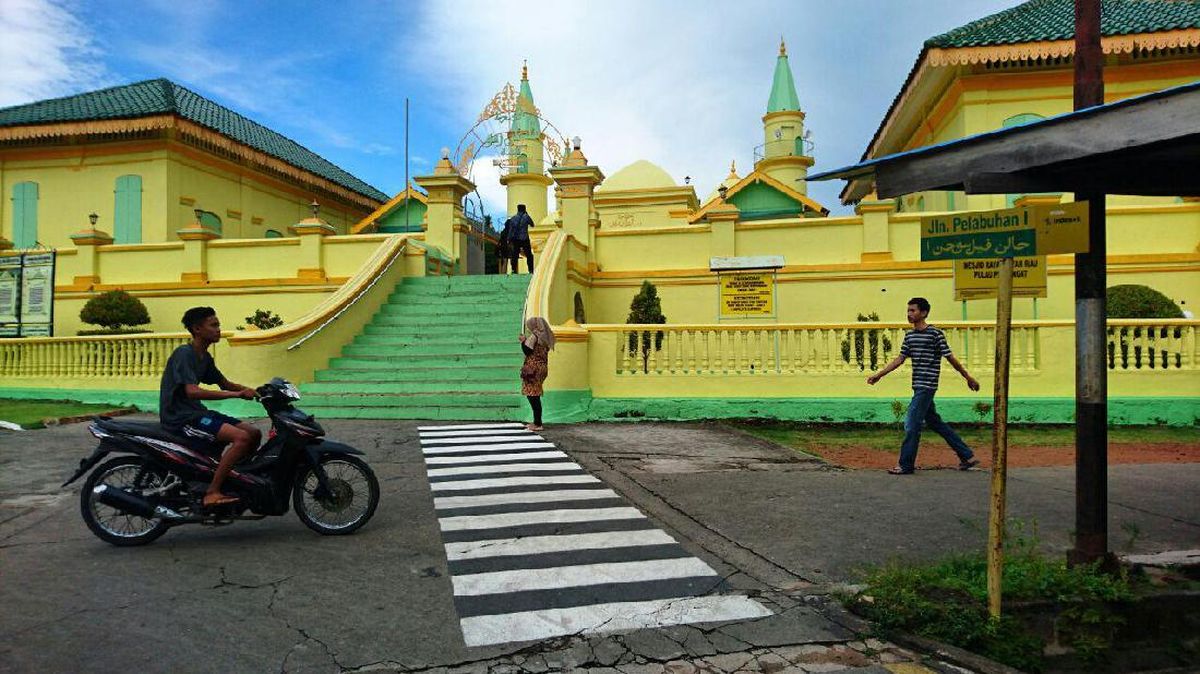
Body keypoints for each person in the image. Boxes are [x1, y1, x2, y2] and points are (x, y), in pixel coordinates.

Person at [867, 297, 981, 475]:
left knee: (912, 424)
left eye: (913, 310)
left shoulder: (935, 334)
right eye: (908, 310)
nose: (909, 314)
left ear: (924, 313)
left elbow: (950, 358)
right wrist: (879, 375)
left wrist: (967, 377)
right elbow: (900, 359)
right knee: (935, 423)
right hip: (918, 385)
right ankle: (967, 455)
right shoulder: (910, 336)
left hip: (927, 386)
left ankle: (906, 465)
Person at [160, 307, 261, 506]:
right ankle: (212, 492)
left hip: (197, 413)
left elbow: (224, 383)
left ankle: (234, 478)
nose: (218, 329)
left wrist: (256, 391)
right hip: (181, 418)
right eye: (213, 325)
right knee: (241, 438)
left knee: (254, 433)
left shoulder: (204, 357)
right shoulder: (184, 354)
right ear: (197, 329)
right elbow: (192, 391)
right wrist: (237, 395)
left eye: (218, 325)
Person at [519, 316, 555, 431]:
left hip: (533, 369)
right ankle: (536, 421)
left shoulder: (534, 336)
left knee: (532, 395)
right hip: (542, 368)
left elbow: (527, 351)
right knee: (535, 394)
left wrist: (523, 341)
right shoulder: (545, 337)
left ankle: (538, 423)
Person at [503, 203, 535, 274]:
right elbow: (532, 224)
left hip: (516, 239)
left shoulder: (513, 218)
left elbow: (511, 230)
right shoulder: (526, 217)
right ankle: (531, 270)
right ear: (524, 209)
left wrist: (508, 239)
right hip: (525, 238)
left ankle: (513, 270)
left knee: (515, 254)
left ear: (518, 210)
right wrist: (527, 214)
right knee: (529, 255)